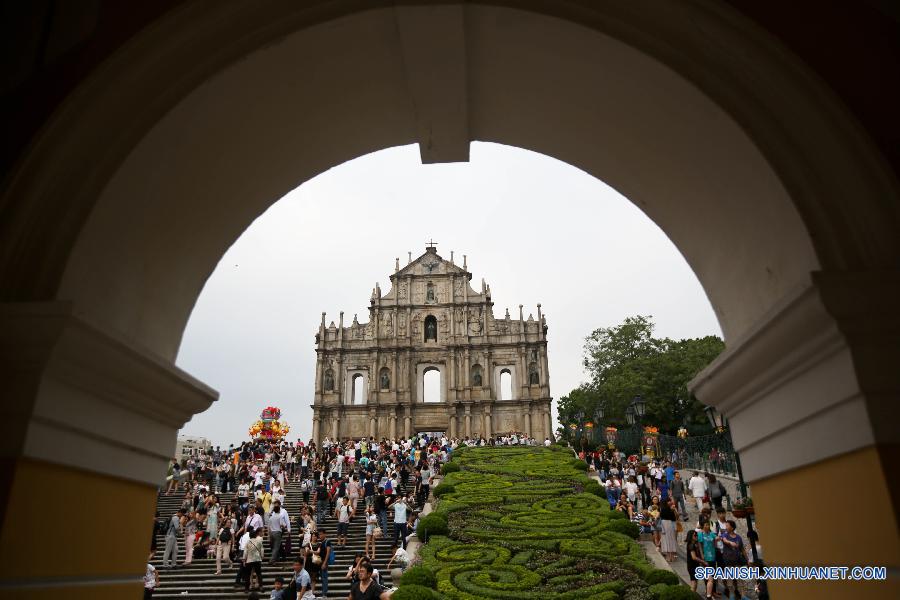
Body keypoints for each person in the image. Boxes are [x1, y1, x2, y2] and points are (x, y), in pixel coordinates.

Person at [720, 519, 747, 600]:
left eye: (727, 525)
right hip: (728, 561)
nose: (726, 527)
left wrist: (747, 560)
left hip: (738, 561)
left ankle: (743, 596)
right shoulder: (725, 535)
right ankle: (732, 595)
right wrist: (730, 542)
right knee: (730, 580)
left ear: (732, 527)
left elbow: (742, 549)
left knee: (740, 579)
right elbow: (724, 540)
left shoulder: (738, 537)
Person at [697, 520, 718, 599]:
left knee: (713, 576)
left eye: (708, 525)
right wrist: (702, 556)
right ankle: (709, 594)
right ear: (703, 526)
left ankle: (711, 592)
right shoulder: (701, 534)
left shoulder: (712, 534)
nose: (707, 526)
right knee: (709, 577)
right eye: (705, 525)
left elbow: (715, 542)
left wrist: (718, 538)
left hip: (713, 557)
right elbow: (700, 546)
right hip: (705, 557)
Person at [268, 499, 291, 564]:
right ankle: (281, 556)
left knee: (277, 544)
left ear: (279, 505)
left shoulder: (284, 511)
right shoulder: (274, 513)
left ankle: (278, 557)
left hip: (279, 530)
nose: (275, 506)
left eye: (276, 505)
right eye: (274, 505)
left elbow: (287, 520)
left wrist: (288, 529)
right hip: (277, 530)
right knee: (277, 545)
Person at [242, 528, 265, 592]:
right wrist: (262, 556)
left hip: (249, 560)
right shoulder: (259, 541)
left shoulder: (248, 542)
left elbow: (245, 552)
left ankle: (246, 588)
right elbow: (262, 549)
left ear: (249, 535)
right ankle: (261, 587)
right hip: (257, 559)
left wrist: (244, 559)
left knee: (248, 574)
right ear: (255, 535)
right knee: (259, 574)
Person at [686, 529, 706, 596]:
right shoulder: (691, 545)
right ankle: (690, 597)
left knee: (694, 583)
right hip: (692, 566)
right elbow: (694, 557)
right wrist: (703, 562)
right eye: (695, 535)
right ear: (691, 536)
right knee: (694, 583)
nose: (696, 536)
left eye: (696, 535)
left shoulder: (693, 544)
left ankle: (691, 596)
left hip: (694, 566)